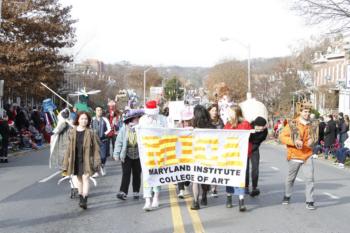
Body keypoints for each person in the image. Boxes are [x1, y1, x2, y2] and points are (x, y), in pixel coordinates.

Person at [279, 102, 318, 210]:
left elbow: (315, 137)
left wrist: (313, 140)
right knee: (290, 179)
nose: (307, 114)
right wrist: (294, 141)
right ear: (300, 112)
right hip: (295, 155)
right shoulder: (293, 123)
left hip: (307, 155)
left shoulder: (313, 124)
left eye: (309, 112)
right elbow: (282, 137)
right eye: (305, 112)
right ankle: (287, 195)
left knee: (310, 178)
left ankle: (309, 201)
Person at [62, 111, 101, 209]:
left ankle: (84, 199)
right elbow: (68, 148)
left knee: (85, 178)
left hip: (88, 158)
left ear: (88, 121)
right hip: (76, 158)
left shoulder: (91, 132)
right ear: (78, 120)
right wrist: (65, 162)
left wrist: (97, 160)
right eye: (82, 118)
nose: (84, 120)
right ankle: (80, 197)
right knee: (79, 179)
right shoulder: (72, 132)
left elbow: (96, 148)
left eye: (86, 119)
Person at [139, 100, 168, 211]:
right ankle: (147, 200)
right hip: (146, 152)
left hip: (159, 150)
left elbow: (168, 132)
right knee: (147, 175)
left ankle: (156, 197)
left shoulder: (162, 119)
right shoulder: (142, 120)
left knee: (157, 175)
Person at [224, 105, 252, 212]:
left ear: (236, 113)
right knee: (229, 177)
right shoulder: (228, 124)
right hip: (230, 155)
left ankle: (241, 201)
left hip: (241, 156)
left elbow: (249, 138)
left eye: (231, 112)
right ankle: (229, 197)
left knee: (241, 178)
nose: (229, 114)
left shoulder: (245, 124)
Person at [114, 109, 144, 200]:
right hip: (126, 154)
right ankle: (123, 192)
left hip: (139, 155)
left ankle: (136, 192)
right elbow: (119, 142)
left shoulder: (141, 128)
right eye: (135, 119)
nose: (137, 120)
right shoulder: (124, 129)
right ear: (130, 120)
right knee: (126, 173)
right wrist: (116, 154)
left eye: (138, 119)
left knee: (137, 173)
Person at [190, 105, 215, 210]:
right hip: (208, 157)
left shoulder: (192, 130)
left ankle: (196, 201)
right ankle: (204, 194)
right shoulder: (212, 128)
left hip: (196, 156)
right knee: (205, 177)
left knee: (195, 179)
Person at [248, 116, 268, 197]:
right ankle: (245, 186)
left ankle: (254, 187)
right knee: (245, 168)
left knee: (255, 168)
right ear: (255, 125)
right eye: (260, 127)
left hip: (255, 148)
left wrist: (253, 149)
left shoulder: (264, 131)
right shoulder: (249, 127)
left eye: (263, 127)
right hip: (245, 147)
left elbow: (259, 142)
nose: (261, 129)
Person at [207, 103, 224, 198]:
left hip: (217, 148)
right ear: (209, 111)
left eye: (216, 110)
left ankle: (214, 188)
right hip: (207, 148)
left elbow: (225, 132)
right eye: (213, 110)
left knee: (216, 169)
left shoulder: (220, 121)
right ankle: (208, 184)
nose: (214, 112)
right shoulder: (206, 121)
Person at [177, 107, 193, 199]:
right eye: (186, 120)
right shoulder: (179, 127)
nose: (187, 122)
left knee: (188, 172)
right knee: (180, 171)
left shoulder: (194, 127)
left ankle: (186, 184)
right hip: (181, 152)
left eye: (189, 120)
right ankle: (181, 190)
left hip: (190, 153)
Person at [91, 106, 111, 177]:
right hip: (94, 140)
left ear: (102, 111)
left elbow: (109, 128)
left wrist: (104, 134)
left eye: (100, 110)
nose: (99, 111)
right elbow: (90, 128)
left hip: (103, 140)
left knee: (103, 156)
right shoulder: (92, 119)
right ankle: (96, 171)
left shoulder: (105, 119)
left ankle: (102, 166)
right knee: (95, 156)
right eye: (97, 110)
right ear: (95, 111)